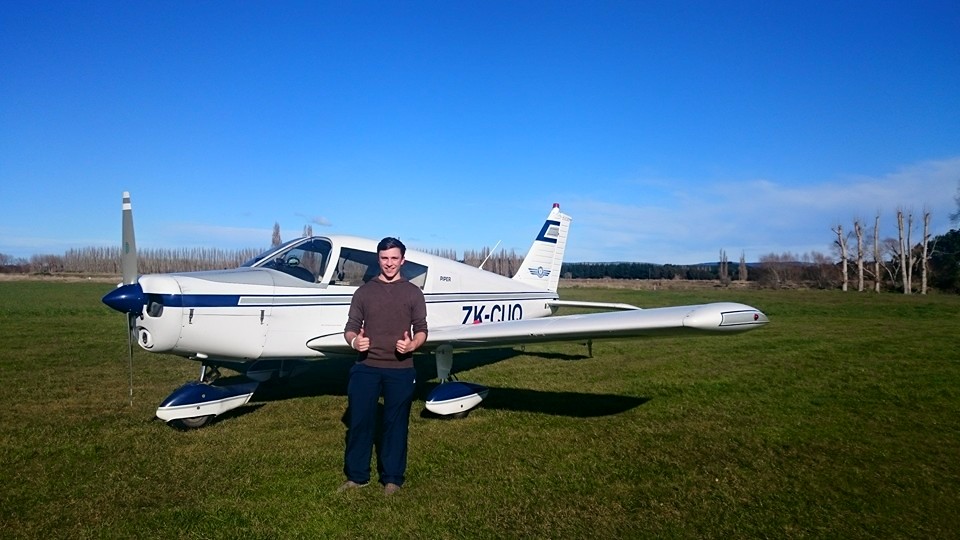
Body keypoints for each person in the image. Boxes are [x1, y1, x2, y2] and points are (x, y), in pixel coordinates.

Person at [339, 237, 427, 495]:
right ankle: (357, 477)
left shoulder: (413, 293)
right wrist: (356, 342)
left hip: (400, 369)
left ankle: (392, 479)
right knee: (360, 423)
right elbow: (350, 329)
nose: (389, 264)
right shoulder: (363, 292)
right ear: (378, 260)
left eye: (394, 259)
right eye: (384, 258)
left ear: (403, 261)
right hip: (366, 368)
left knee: (395, 424)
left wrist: (412, 346)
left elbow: (421, 330)